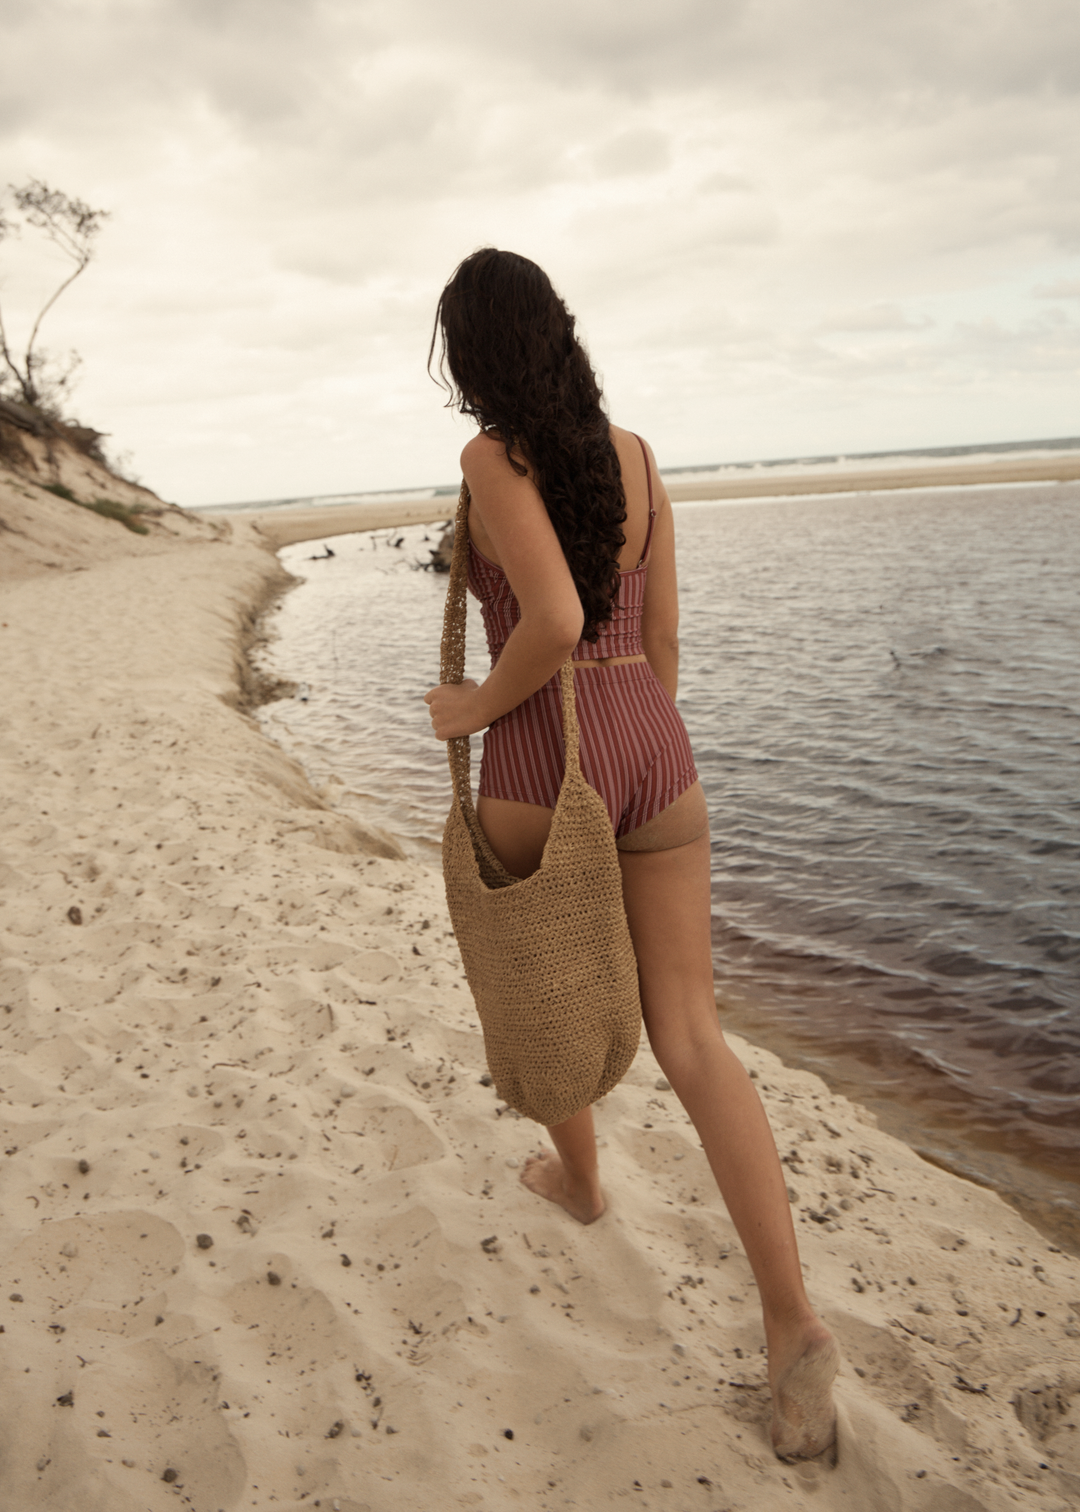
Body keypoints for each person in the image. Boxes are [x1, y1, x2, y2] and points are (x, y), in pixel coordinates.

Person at [423, 248, 839, 1462]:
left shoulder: (492, 458)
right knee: (695, 1036)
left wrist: (472, 709)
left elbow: (548, 618)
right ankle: (792, 1321)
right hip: (658, 748)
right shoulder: (640, 454)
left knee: (537, 980)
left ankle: (585, 1182)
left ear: (471, 356)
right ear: (557, 332)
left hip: (545, 756)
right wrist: (637, 747)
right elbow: (657, 637)